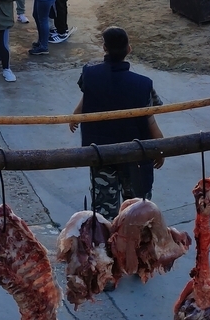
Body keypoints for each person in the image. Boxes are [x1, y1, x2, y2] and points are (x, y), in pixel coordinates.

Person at [69, 27, 166, 219]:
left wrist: (76, 114)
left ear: (104, 48)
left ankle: (105, 246)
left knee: (104, 214)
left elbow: (87, 96)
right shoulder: (143, 84)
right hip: (134, 154)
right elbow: (150, 120)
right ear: (129, 49)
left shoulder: (90, 74)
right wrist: (159, 148)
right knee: (137, 210)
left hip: (101, 153)